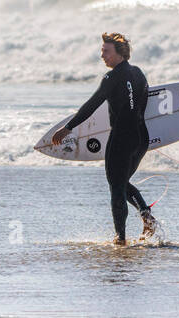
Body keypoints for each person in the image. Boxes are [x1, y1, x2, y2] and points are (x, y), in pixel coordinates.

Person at [51, 32, 156, 245]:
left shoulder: (111, 77)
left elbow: (92, 104)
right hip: (141, 137)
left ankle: (120, 238)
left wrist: (68, 128)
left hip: (121, 138)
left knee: (116, 187)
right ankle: (147, 218)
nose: (102, 56)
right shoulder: (139, 73)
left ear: (119, 53)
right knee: (121, 182)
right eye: (102, 51)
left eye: (106, 51)